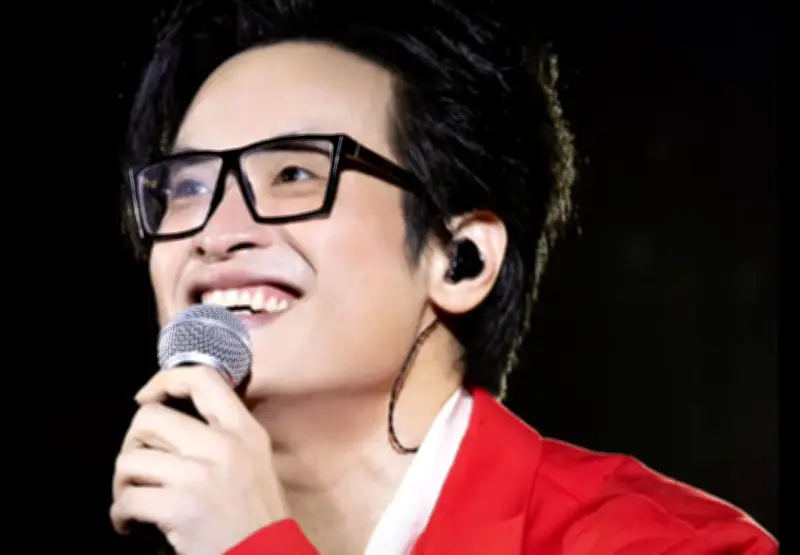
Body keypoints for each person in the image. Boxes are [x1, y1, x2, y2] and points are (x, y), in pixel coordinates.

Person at [110, 1, 778, 554]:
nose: (215, 231)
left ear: (462, 259)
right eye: (188, 186)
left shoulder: (665, 543)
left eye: (294, 173)